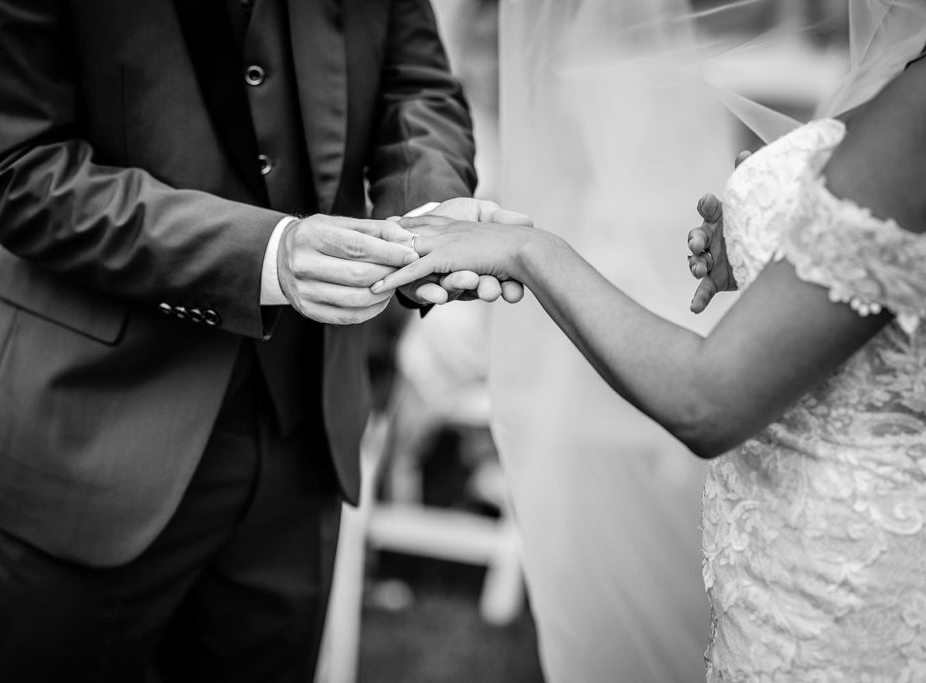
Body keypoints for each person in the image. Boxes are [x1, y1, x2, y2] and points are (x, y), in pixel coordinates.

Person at [0, 0, 529, 680]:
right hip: (82, 436)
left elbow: (417, 80)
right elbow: (19, 170)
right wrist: (264, 256)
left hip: (302, 437)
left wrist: (426, 218)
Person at [374, 10, 926, 680]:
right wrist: (771, 251)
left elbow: (706, 399)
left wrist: (527, 247)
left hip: (850, 573)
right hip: (790, 555)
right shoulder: (903, 66)